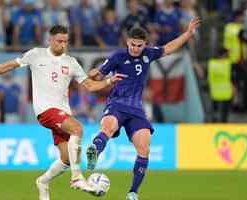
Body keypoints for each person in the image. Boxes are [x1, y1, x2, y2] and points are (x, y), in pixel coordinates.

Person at [0, 25, 126, 200]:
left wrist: (109, 81)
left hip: (63, 112)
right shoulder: (36, 54)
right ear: (50, 40)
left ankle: (43, 182)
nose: (63, 45)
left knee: (67, 159)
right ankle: (77, 178)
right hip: (45, 110)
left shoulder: (71, 62)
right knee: (78, 129)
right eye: (59, 41)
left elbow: (89, 85)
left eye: (66, 41)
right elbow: (8, 66)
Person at [86, 18, 201, 200]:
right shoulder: (118, 56)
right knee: (108, 128)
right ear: (127, 42)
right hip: (117, 103)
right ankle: (94, 153)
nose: (135, 49)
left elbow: (169, 48)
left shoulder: (149, 54)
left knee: (144, 149)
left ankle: (133, 193)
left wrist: (188, 33)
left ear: (145, 44)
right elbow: (97, 77)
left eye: (139, 45)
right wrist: (94, 73)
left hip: (136, 110)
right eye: (132, 45)